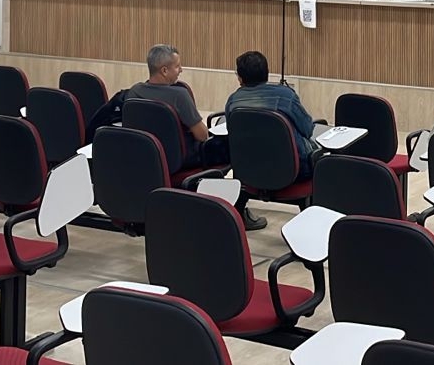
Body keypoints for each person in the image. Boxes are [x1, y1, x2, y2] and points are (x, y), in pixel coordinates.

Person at [125, 44, 265, 229]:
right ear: (164, 70)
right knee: (231, 146)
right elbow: (202, 135)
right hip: (182, 161)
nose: (181, 70)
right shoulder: (179, 95)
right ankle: (238, 209)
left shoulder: (134, 92)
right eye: (177, 66)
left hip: (148, 159)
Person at [225, 51, 317, 181]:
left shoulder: (233, 102)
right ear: (267, 73)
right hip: (294, 171)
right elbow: (307, 129)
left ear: (240, 78)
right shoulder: (286, 96)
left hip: (249, 169)